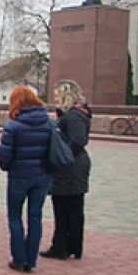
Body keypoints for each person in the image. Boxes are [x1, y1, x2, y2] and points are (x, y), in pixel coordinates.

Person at [0, 86, 54, 272]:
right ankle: (31, 259)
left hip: (19, 176)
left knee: (15, 217)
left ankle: (19, 259)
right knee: (35, 217)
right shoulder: (49, 123)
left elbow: (4, 156)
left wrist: (7, 166)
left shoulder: (13, 126)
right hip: (43, 176)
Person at [42, 80, 93, 260]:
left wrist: (61, 155)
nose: (55, 99)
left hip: (71, 168)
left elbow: (78, 141)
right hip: (71, 166)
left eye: (58, 95)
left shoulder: (74, 116)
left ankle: (63, 247)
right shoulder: (73, 114)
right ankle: (68, 246)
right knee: (68, 208)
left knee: (67, 208)